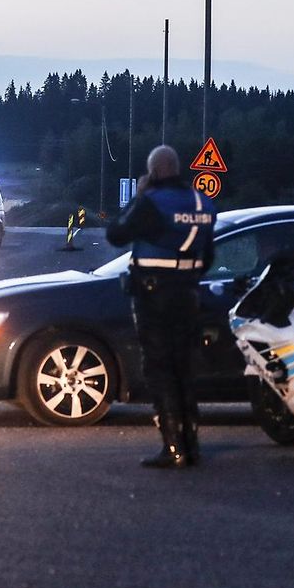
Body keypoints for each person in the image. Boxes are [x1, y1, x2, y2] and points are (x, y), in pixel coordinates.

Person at [106, 146, 215, 469]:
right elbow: (208, 256)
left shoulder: (151, 202)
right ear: (177, 168)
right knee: (184, 368)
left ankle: (173, 447)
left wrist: (140, 195)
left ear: (153, 171)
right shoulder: (203, 203)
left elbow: (116, 233)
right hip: (189, 294)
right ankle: (192, 445)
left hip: (155, 296)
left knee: (160, 368)